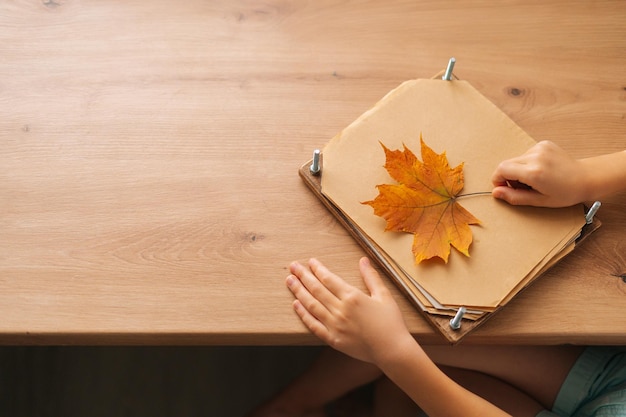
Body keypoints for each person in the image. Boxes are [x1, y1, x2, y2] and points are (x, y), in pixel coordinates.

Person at [247, 141, 626, 417]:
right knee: (417, 348)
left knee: (400, 385)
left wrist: (392, 352)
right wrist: (591, 175)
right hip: (615, 381)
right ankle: (293, 405)